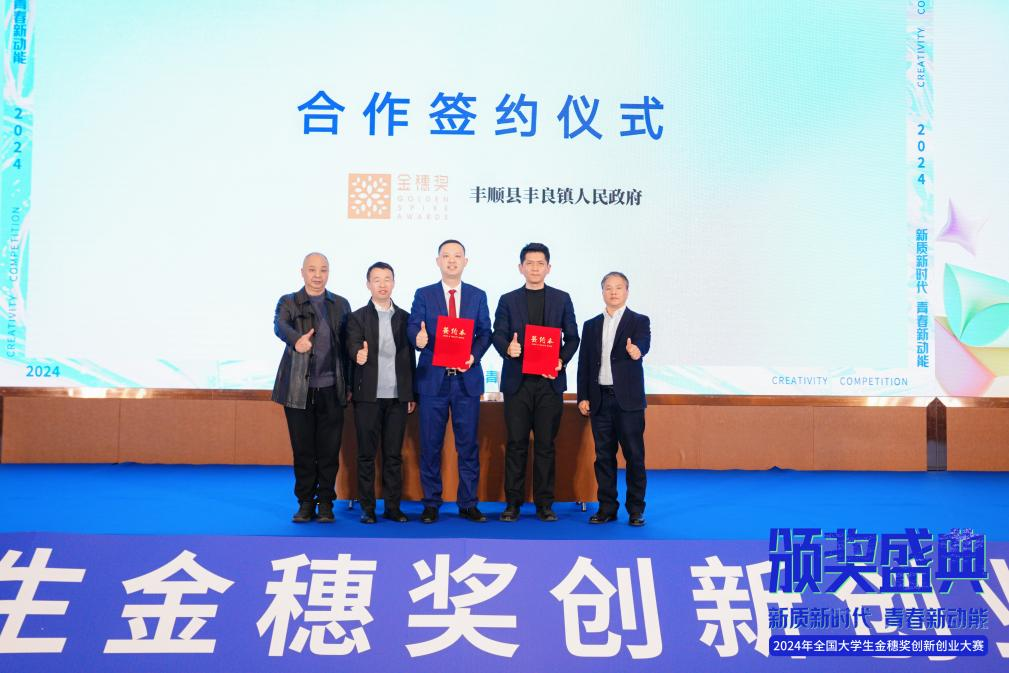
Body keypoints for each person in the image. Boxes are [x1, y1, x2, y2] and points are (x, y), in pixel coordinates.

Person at [492, 242, 579, 522]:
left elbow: (573, 337)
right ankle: (513, 503)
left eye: (540, 263)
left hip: (549, 383)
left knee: (545, 445)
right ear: (520, 267)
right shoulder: (507, 300)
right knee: (516, 444)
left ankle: (545, 504)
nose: (534, 268)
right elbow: (497, 334)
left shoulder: (562, 299)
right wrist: (508, 348)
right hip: (518, 384)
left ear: (548, 268)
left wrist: (561, 360)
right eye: (529, 263)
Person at [407, 240, 492, 524]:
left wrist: (473, 356)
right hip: (433, 381)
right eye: (446, 256)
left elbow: (485, 332)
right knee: (430, 445)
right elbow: (413, 326)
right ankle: (431, 503)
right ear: (438, 261)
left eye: (457, 256)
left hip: (466, 381)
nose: (452, 260)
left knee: (467, 446)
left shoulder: (477, 295)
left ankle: (468, 503)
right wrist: (417, 339)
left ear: (465, 261)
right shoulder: (424, 294)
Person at [271, 252, 351, 523]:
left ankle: (326, 502)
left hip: (332, 388)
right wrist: (296, 340)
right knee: (303, 450)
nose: (318, 275)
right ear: (302, 272)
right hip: (298, 390)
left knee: (329, 450)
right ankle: (305, 502)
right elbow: (279, 325)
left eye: (323, 270)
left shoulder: (340, 304)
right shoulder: (289, 301)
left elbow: (348, 343)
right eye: (312, 269)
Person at [576, 272, 651, 527]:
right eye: (608, 288)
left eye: (619, 287)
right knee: (603, 457)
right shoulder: (591, 325)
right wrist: (583, 396)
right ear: (602, 292)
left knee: (634, 457)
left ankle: (636, 510)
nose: (614, 292)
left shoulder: (639, 321)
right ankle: (607, 508)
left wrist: (636, 350)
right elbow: (584, 364)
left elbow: (643, 344)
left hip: (628, 402)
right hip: (599, 399)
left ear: (627, 291)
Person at [346, 262, 416, 524]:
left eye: (387, 279)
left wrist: (411, 394)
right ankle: (367, 508)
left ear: (394, 283)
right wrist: (357, 353)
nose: (383, 284)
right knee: (366, 455)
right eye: (377, 280)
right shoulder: (357, 317)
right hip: (368, 397)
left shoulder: (406, 318)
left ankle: (392, 507)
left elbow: (410, 359)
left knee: (393, 456)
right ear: (368, 285)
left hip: (397, 397)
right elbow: (351, 344)